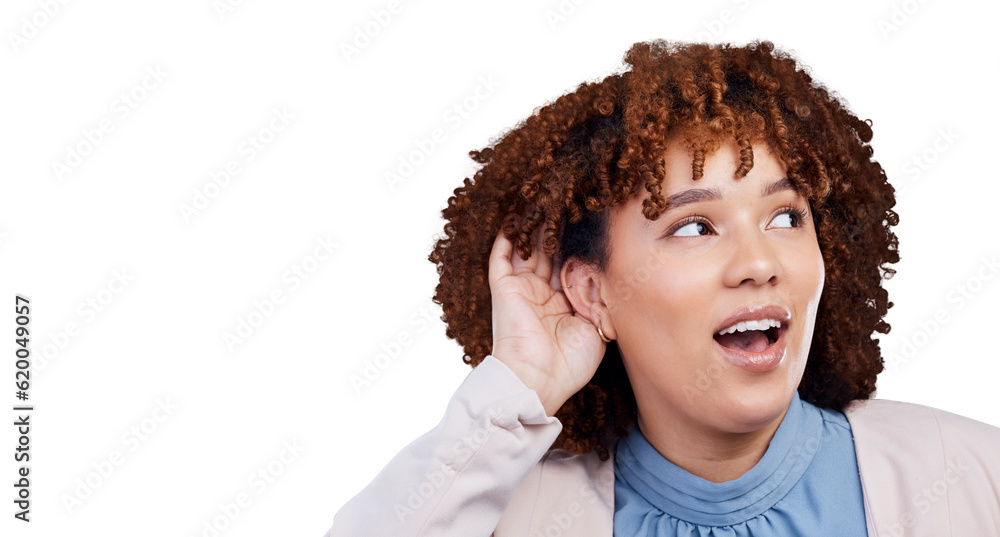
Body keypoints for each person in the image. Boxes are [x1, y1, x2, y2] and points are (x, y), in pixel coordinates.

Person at [325, 40, 1000, 536]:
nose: (758, 261)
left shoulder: (968, 475)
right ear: (594, 294)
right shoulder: (516, 514)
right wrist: (517, 385)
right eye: (695, 226)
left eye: (786, 215)